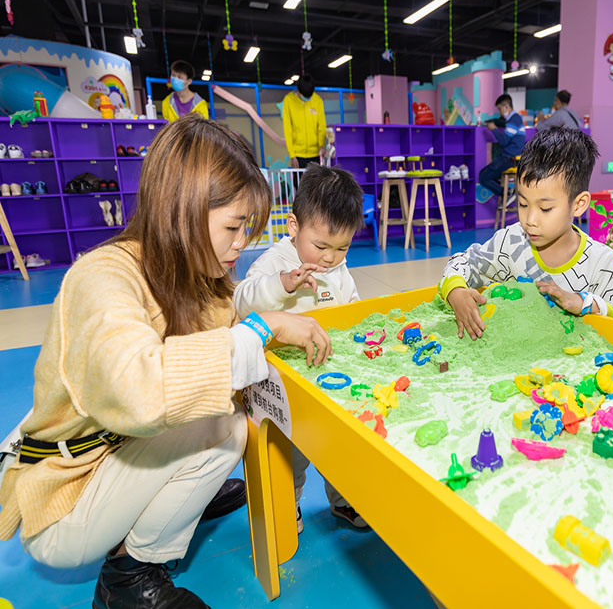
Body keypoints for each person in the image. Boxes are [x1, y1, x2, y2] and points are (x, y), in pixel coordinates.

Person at [0, 115, 334, 609]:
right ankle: (127, 578)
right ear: (183, 210)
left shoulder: (197, 278)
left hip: (114, 452)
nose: (242, 242)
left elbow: (218, 362)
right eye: (233, 226)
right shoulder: (102, 277)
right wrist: (263, 328)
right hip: (63, 497)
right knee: (226, 428)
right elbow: (141, 389)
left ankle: (177, 497)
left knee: (225, 411)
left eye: (247, 227)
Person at [234, 164, 368, 531]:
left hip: (328, 376)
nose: (330, 258)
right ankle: (287, 505)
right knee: (290, 454)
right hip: (282, 383)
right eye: (321, 246)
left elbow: (351, 305)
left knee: (339, 444)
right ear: (294, 226)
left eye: (342, 247)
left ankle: (343, 499)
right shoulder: (273, 263)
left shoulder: (337, 267)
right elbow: (242, 301)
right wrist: (282, 284)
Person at [441, 127, 613, 340]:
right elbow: (461, 262)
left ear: (579, 204)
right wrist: (456, 292)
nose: (530, 220)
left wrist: (585, 303)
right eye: (523, 204)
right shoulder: (511, 243)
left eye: (545, 209)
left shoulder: (602, 262)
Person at [476, 94, 526, 207]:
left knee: (483, 177)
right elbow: (501, 122)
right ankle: (506, 192)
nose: (499, 112)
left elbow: (504, 141)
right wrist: (492, 122)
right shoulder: (513, 119)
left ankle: (506, 193)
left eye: (499, 109)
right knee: (485, 174)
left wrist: (494, 129)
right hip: (508, 158)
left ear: (506, 107)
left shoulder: (514, 120)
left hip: (509, 159)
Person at [281, 74, 327, 169]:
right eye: (305, 96)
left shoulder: (318, 101)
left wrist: (321, 145)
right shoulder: (288, 100)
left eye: (310, 96)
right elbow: (288, 129)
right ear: (298, 91)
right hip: (298, 155)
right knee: (300, 179)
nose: (308, 99)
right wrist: (292, 155)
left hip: (315, 153)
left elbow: (321, 126)